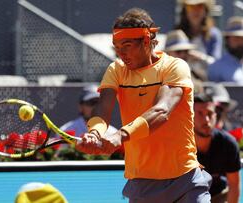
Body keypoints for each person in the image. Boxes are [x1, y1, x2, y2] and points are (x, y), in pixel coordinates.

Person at [76, 8, 212, 202]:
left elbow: (161, 111)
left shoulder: (175, 66)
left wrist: (119, 136)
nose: (120, 53)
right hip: (141, 184)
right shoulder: (116, 70)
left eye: (127, 45)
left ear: (147, 41)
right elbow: (102, 108)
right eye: (116, 46)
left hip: (186, 180)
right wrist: (95, 133)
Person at [194, 92, 241, 203]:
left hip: (219, 196)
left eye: (210, 114)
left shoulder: (228, 144)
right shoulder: (179, 145)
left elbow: (234, 185)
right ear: (189, 116)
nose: (206, 120)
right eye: (200, 113)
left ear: (216, 115)